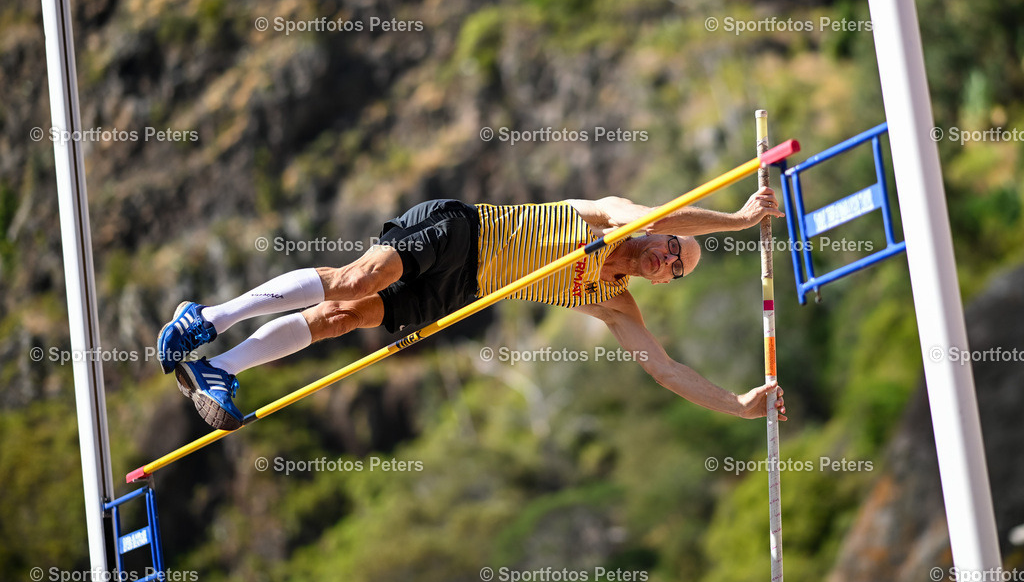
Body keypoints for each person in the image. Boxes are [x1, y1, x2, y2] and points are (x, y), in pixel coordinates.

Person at [158, 188, 788, 430]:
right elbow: (657, 215)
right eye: (674, 249)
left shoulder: (615, 303)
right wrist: (734, 220)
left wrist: (737, 403)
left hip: (463, 292)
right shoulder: (621, 220)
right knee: (352, 280)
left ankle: (224, 369)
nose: (668, 262)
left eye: (677, 270)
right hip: (468, 233)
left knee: (342, 318)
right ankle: (208, 319)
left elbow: (664, 368)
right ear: (664, 233)